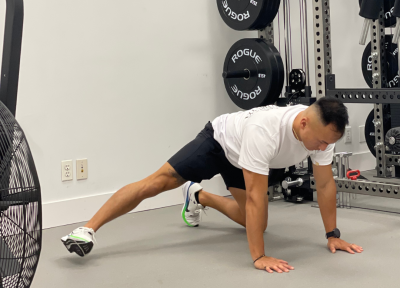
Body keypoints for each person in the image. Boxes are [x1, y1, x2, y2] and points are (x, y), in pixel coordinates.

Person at [61, 97, 363, 273]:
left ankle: (198, 195)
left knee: (255, 222)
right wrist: (259, 257)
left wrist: (332, 235)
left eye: (329, 142)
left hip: (242, 157)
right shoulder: (266, 131)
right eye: (322, 140)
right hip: (219, 142)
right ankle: (86, 229)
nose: (324, 147)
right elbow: (257, 194)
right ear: (303, 124)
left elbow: (324, 186)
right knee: (156, 183)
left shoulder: (322, 138)